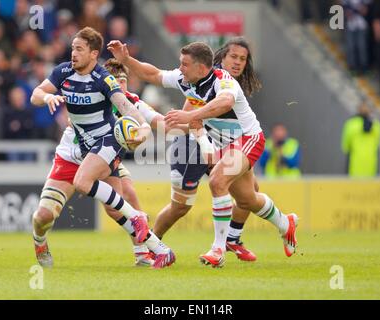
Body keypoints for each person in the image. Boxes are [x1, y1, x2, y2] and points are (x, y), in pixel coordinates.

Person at [108, 39, 298, 268]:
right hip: (218, 144)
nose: (180, 69)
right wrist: (126, 59)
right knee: (248, 198)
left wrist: (189, 117)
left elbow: (223, 103)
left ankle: (219, 249)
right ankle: (285, 223)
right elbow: (154, 74)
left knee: (218, 181)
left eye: (184, 64)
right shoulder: (186, 78)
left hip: (247, 139)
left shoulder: (224, 82)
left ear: (200, 68)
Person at [30, 27, 175, 268]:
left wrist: (144, 127)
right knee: (43, 217)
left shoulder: (103, 79)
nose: (73, 53)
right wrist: (47, 98)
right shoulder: (63, 71)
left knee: (106, 195)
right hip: (71, 151)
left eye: (79, 49)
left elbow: (126, 106)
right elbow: (36, 93)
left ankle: (143, 250)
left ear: (93, 54)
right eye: (72, 48)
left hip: (105, 142)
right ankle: (40, 241)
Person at [152, 37, 265, 262]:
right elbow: (191, 121)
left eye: (243, 59)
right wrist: (205, 145)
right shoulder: (204, 80)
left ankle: (232, 239)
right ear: (220, 58)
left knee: (250, 191)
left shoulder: (233, 87)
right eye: (233, 57)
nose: (238, 62)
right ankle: (151, 242)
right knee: (180, 207)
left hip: (224, 145)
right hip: (193, 144)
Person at [341, 102, 380, 177]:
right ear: (370, 111)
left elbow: (345, 146)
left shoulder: (351, 124)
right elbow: (378, 142)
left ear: (358, 110)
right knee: (370, 187)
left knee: (354, 187)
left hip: (355, 163)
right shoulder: (376, 126)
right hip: (371, 162)